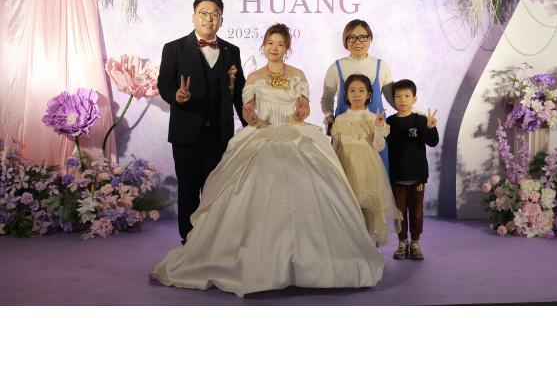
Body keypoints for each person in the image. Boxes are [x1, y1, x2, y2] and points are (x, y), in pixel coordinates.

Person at [151, 24, 384, 297]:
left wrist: (302, 110)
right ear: (264, 46)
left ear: (287, 48)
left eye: (280, 44)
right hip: (262, 133)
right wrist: (250, 117)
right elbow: (247, 110)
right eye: (270, 43)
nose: (274, 48)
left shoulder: (298, 75)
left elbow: (305, 107)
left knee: (311, 185)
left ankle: (312, 260)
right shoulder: (253, 77)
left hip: (295, 133)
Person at [157, 0, 246, 245]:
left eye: (215, 14)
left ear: (221, 20)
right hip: (186, 133)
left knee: (215, 190)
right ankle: (189, 240)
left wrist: (251, 126)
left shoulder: (232, 51)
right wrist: (177, 96)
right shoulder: (174, 48)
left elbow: (239, 92)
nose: (209, 18)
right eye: (203, 13)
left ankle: (211, 241)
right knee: (188, 190)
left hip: (220, 134)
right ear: (194, 17)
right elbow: (164, 84)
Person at [330, 74, 400, 245]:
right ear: (346, 94)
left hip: (368, 168)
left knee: (368, 206)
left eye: (361, 90)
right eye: (352, 90)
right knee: (349, 207)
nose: (357, 94)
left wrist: (378, 128)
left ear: (368, 94)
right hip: (346, 166)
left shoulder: (372, 118)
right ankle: (352, 245)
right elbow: (335, 147)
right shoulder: (340, 119)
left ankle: (370, 243)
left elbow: (378, 146)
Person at [321, 19, 394, 170]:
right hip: (346, 134)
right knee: (344, 173)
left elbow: (393, 99)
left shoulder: (381, 66)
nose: (357, 42)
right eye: (352, 37)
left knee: (377, 173)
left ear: (370, 38)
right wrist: (329, 116)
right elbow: (327, 98)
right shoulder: (336, 67)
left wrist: (414, 114)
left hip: (374, 131)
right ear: (345, 41)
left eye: (363, 37)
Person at [385, 79, 439, 260]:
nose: (403, 100)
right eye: (398, 96)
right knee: (399, 213)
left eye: (407, 96)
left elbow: (432, 142)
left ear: (414, 99)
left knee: (416, 213)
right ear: (393, 99)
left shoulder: (421, 120)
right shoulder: (390, 121)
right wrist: (378, 128)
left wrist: (430, 128)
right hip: (397, 176)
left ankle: (415, 242)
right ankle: (402, 243)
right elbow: (380, 144)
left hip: (417, 176)